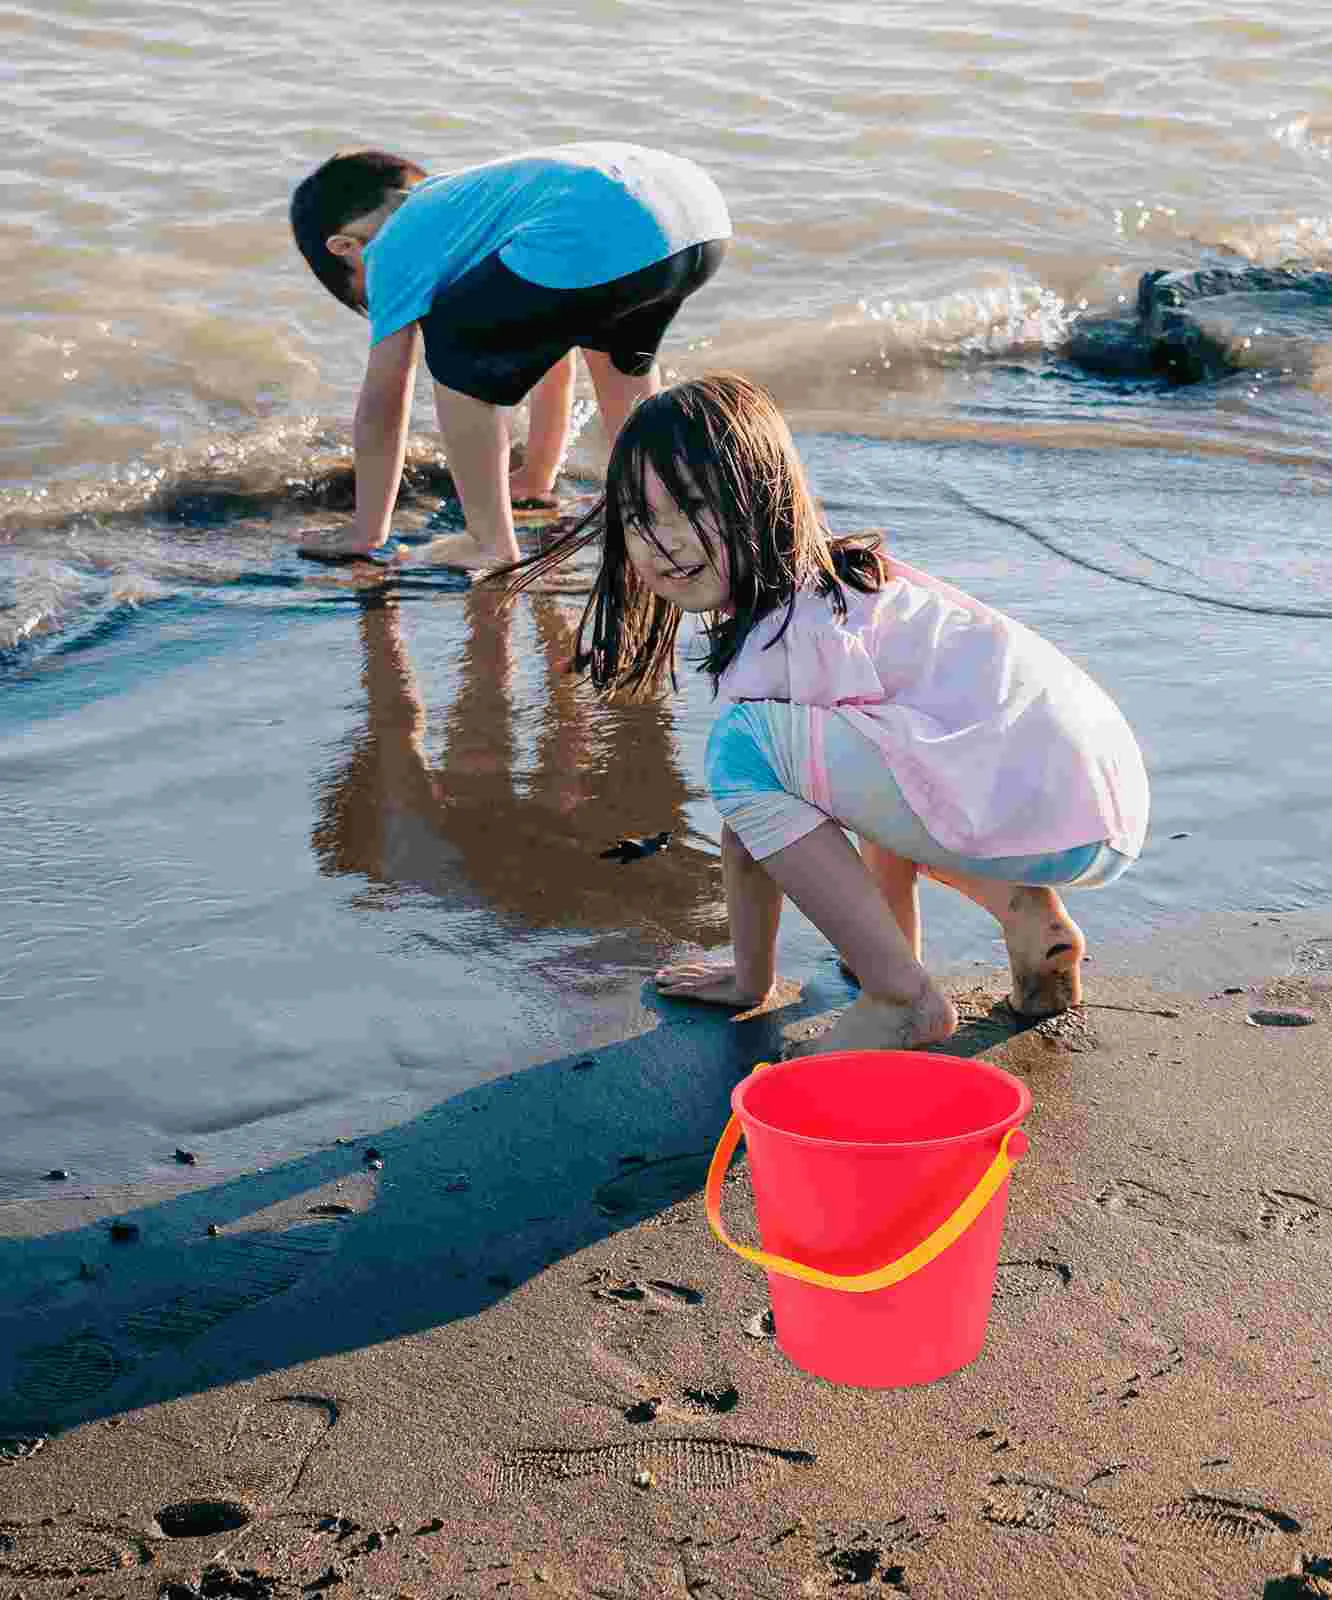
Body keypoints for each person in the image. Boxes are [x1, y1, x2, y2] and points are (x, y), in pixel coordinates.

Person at [498, 374, 1150, 1055]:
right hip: (1088, 809)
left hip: (1045, 811)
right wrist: (861, 948)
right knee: (846, 757)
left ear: (761, 498)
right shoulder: (851, 588)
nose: (662, 542)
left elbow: (749, 825)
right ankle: (1024, 918)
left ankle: (901, 998)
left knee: (740, 754)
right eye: (639, 519)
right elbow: (882, 787)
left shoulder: (791, 636)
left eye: (689, 506)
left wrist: (756, 981)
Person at [289, 143, 730, 571]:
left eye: (364, 291)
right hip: (693, 218)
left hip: (604, 228)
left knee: (452, 340)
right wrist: (537, 479)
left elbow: (383, 404)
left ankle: (488, 543)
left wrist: (367, 532)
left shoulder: (391, 244)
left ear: (345, 247)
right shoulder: (469, 208)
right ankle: (645, 502)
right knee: (611, 347)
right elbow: (550, 342)